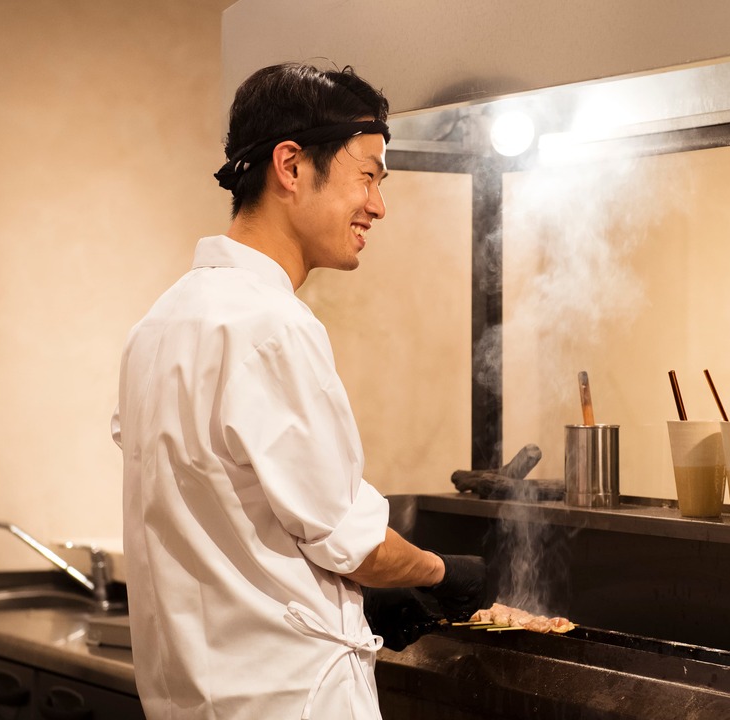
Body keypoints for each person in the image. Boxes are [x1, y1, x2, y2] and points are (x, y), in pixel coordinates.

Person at [112, 63, 488, 720]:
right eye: (367, 175)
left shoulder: (163, 320)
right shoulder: (272, 327)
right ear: (290, 166)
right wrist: (444, 575)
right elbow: (357, 543)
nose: (378, 204)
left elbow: (241, 513)